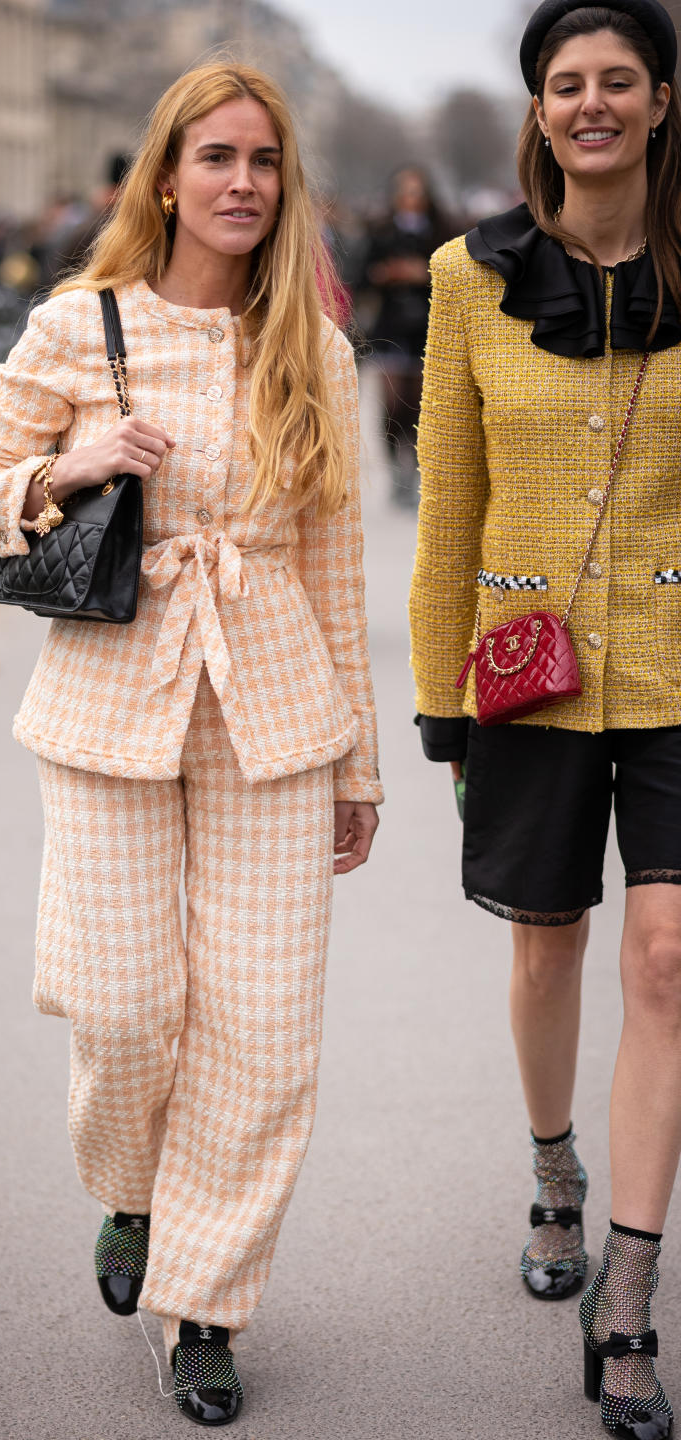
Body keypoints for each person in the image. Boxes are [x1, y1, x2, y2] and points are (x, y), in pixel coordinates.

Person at [0, 61, 382, 1427]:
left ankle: (206, 1303)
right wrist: (65, 470)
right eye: (216, 158)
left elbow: (334, 561)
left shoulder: (317, 349)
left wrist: (358, 766)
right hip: (110, 706)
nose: (242, 182)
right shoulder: (80, 326)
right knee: (127, 1007)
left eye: (263, 160)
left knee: (264, 1035)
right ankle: (131, 1193)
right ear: (168, 175)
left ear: (283, 181)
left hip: (276, 714)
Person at [410, 3, 681, 1437]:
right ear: (539, 109)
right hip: (529, 671)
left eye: (617, 81)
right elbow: (446, 499)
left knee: (668, 956)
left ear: (658, 101)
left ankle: (627, 1296)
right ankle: (554, 1164)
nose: (592, 103)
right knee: (546, 946)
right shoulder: (470, 277)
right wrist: (438, 698)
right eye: (566, 83)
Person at [363, 167, 451, 506]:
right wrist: (386, 274)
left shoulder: (441, 233)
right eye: (405, 191)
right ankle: (394, 468)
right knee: (392, 403)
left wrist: (423, 274)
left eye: (417, 192)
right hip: (391, 328)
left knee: (418, 405)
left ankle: (413, 467)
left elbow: (454, 275)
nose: (411, 199)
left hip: (427, 329)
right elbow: (362, 276)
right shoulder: (381, 231)